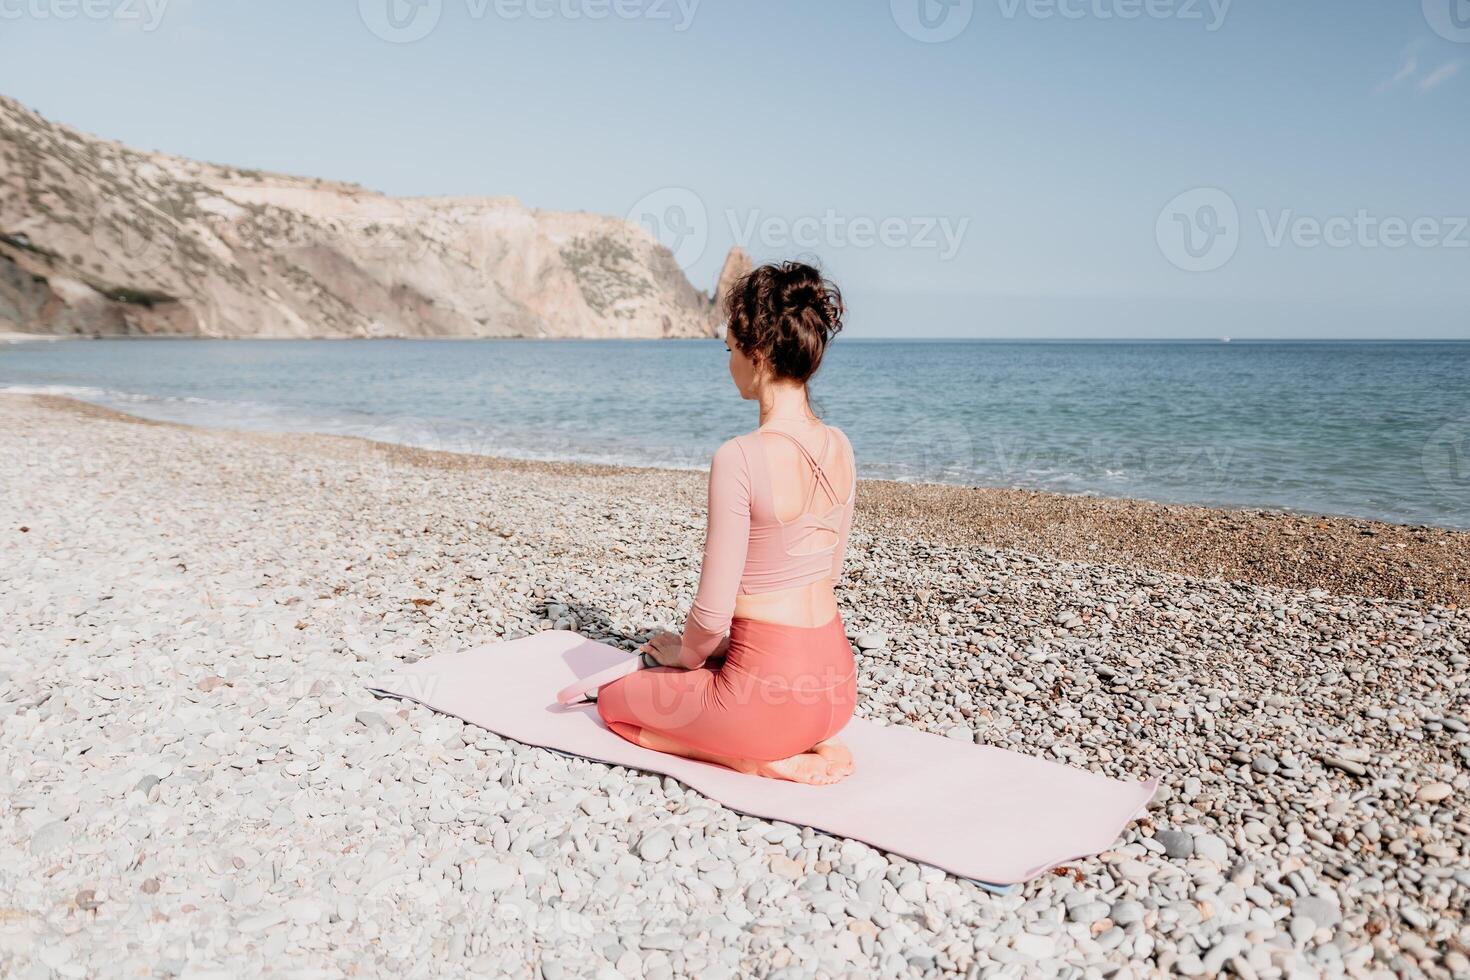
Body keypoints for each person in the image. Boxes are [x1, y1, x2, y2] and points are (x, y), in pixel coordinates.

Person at [596, 261, 858, 785]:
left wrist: (687, 656)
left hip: (766, 705)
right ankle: (797, 739)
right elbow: (826, 573)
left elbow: (713, 613)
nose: (729, 363)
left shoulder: (739, 457)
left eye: (730, 350)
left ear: (756, 353)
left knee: (612, 704)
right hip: (837, 691)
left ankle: (752, 758)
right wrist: (723, 653)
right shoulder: (841, 445)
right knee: (728, 679)